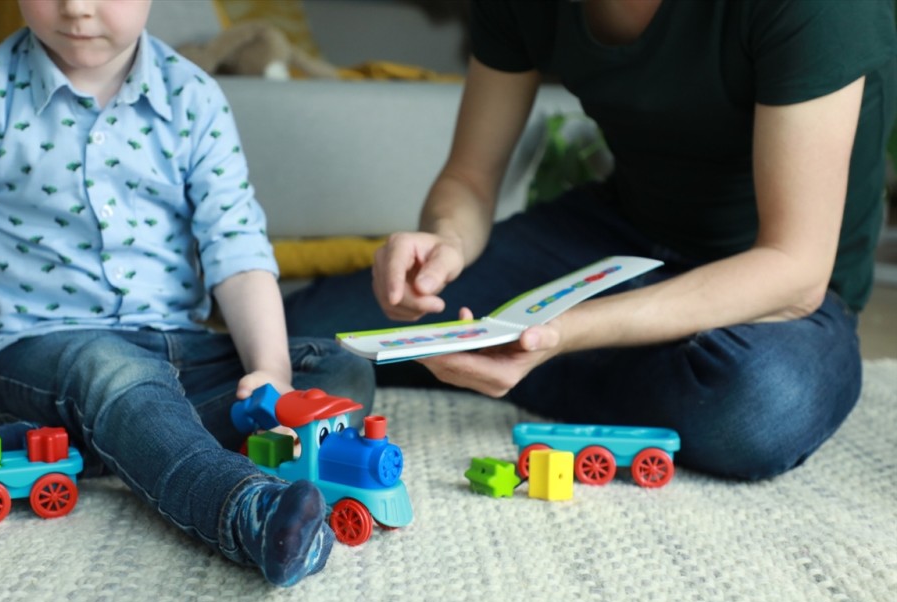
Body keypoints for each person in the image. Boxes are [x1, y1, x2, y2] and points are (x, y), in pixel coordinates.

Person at [284, 0, 897, 481]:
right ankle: (602, 370)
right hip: (618, 240)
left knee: (756, 407)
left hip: (777, 295)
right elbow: (469, 178)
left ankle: (533, 362)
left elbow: (794, 271)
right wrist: (444, 242)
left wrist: (559, 335)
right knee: (301, 333)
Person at [0, 0, 375, 587]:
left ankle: (138, 441)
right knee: (114, 369)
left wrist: (271, 373)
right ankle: (246, 510)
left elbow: (237, 249)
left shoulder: (193, 97)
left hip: (176, 348)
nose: (76, 7)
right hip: (42, 348)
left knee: (337, 369)